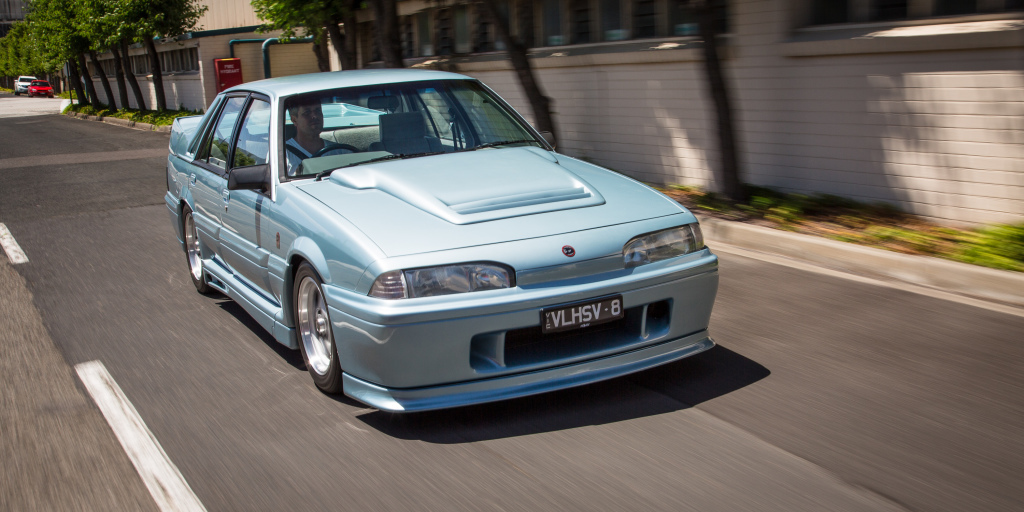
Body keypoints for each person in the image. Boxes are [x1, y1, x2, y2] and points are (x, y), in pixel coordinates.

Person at [285, 95, 352, 175]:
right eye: (307, 112)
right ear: (294, 120)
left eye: (318, 110)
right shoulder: (284, 155)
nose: (314, 116)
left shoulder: (341, 152)